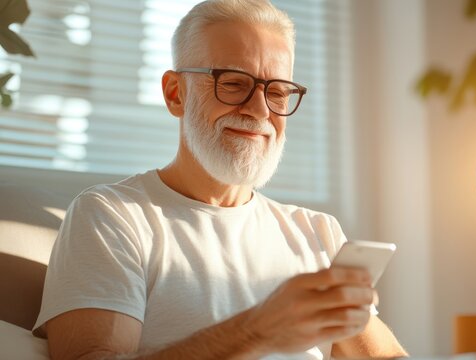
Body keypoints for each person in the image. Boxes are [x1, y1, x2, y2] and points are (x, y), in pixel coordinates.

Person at [33, 0, 407, 359]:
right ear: (175, 93)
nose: (260, 110)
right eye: (232, 83)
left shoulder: (317, 233)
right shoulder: (113, 216)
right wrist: (258, 330)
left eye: (277, 91)